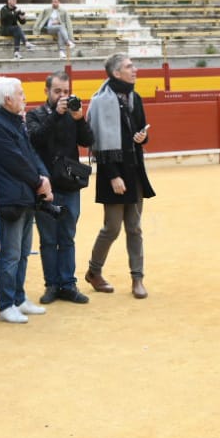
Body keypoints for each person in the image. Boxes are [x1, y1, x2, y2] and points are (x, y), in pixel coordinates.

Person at [0, 76, 53, 324]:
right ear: (8, 99)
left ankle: (18, 298)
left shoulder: (10, 121)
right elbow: (16, 161)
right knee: (11, 254)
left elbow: (29, 153)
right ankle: (6, 303)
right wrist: (39, 181)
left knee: (20, 253)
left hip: (24, 194)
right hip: (12, 196)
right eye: (20, 94)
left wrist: (43, 178)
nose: (24, 97)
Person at [84, 52, 154, 298]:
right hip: (111, 172)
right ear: (116, 72)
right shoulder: (101, 102)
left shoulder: (136, 98)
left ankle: (138, 278)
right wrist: (113, 175)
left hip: (134, 170)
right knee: (111, 228)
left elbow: (142, 132)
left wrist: (142, 137)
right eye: (129, 66)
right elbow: (98, 142)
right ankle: (94, 271)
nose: (134, 70)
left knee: (134, 228)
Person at [27, 71, 93, 305]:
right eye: (57, 92)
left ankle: (68, 284)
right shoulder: (34, 114)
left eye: (66, 91)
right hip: (46, 186)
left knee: (67, 235)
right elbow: (36, 139)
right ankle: (52, 285)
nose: (62, 96)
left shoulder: (72, 116)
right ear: (46, 92)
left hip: (69, 184)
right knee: (47, 238)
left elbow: (88, 141)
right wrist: (56, 115)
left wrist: (80, 118)